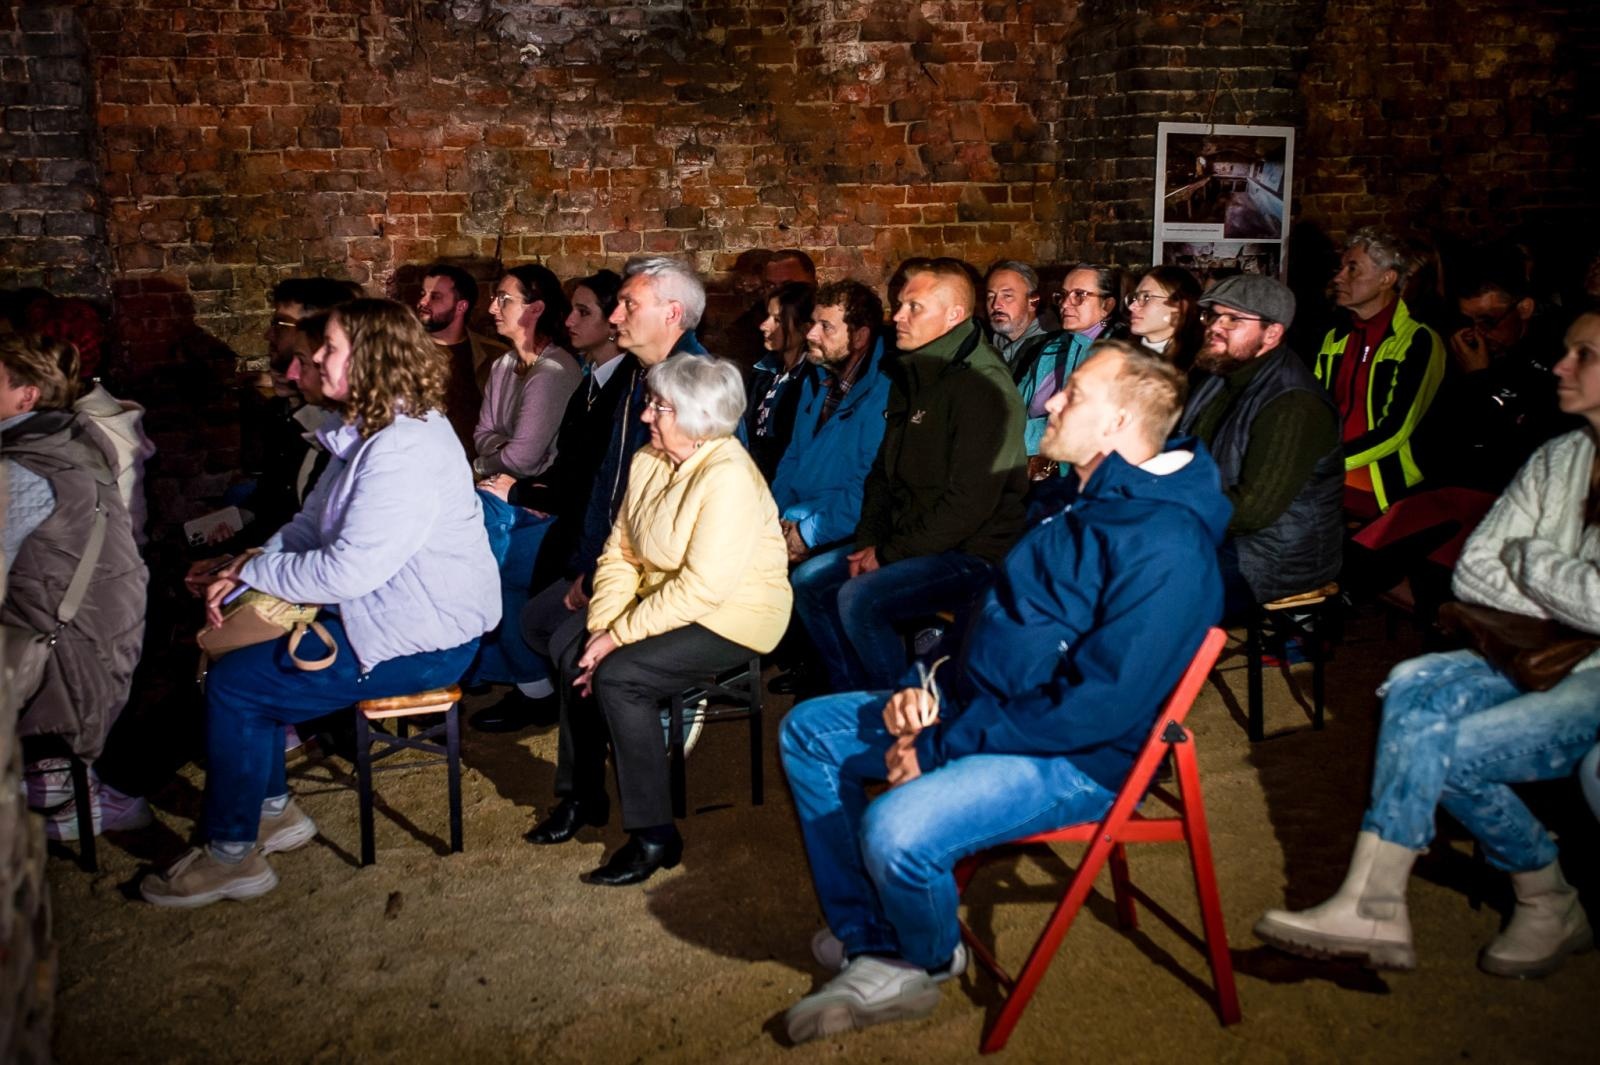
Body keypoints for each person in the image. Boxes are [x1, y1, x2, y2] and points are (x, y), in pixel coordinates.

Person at [778, 341, 1229, 1042]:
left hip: (1075, 756)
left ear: (1117, 425)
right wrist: (921, 686)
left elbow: (1100, 705)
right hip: (982, 710)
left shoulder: (1167, 542)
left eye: (1072, 393)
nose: (1049, 400)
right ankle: (873, 934)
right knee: (810, 730)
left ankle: (918, 957)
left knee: (897, 829)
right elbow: (994, 620)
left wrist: (938, 745)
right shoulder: (1073, 499)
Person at [1255, 308, 1600, 979]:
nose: (1560, 366)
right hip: (1539, 647)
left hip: (1591, 671)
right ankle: (1373, 901)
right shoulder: (1563, 455)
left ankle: (1544, 890)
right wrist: (1560, 584)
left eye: (1584, 354)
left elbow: (1532, 571)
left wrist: (1531, 559)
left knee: (1447, 747)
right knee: (1414, 680)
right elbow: (1474, 568)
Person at [140, 299, 500, 907]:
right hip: (386, 614)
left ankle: (233, 855)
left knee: (237, 686)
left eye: (329, 348)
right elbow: (309, 528)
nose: (312, 360)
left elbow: (348, 569)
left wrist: (258, 569)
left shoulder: (401, 449)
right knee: (239, 669)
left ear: (372, 358)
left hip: (425, 639)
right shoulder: (372, 433)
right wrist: (246, 568)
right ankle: (272, 811)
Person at [527, 355, 791, 886]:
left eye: (660, 406)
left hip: (733, 614)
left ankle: (654, 835)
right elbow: (619, 551)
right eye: (650, 403)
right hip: (663, 598)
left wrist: (617, 637)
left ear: (698, 417)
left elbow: (704, 588)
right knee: (570, 648)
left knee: (621, 677)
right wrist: (602, 626)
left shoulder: (729, 476)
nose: (647, 416)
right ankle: (583, 795)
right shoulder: (650, 459)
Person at [790, 258, 1028, 692]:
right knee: (809, 583)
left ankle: (903, 717)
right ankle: (851, 699)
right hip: (912, 541)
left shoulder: (984, 387)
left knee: (859, 598)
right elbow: (882, 474)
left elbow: (968, 505)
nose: (897, 316)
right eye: (899, 305)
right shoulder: (914, 369)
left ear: (953, 315)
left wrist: (890, 553)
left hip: (973, 552)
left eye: (913, 307)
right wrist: (868, 543)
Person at [469, 271, 632, 734]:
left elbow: (542, 461)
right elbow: (486, 439)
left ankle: (532, 688)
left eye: (584, 312)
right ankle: (521, 681)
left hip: (580, 526)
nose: (570, 319)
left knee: (489, 566)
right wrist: (523, 484)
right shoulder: (591, 382)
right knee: (478, 545)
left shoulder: (587, 378)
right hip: (555, 507)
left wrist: (521, 488)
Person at [5, 334, 149, 834]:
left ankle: (61, 795)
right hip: (100, 630)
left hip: (68, 648)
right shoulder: (68, 440)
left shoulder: (24, 464)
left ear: (26, 396)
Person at [1176, 275, 1343, 617]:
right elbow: (1181, 449)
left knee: (1149, 583)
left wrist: (1170, 509)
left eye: (1233, 319)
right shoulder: (1220, 374)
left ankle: (1146, 666)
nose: (1215, 327)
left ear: (1272, 334)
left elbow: (1253, 510)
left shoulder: (1294, 403)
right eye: (1213, 316)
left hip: (1273, 556)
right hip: (1221, 530)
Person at [1314, 227, 1446, 518]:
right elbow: (1316, 408)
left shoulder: (1418, 340)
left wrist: (1326, 462)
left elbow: (1396, 430)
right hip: (1331, 487)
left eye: (1353, 269)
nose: (1339, 277)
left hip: (1386, 495)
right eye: (1341, 268)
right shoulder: (1336, 337)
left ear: (1387, 279)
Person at [771, 280, 893, 565]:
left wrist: (807, 534)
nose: (811, 334)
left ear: (860, 336)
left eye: (826, 327)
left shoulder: (882, 393)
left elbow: (868, 484)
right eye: (813, 323)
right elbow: (793, 457)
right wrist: (778, 521)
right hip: (796, 520)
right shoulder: (817, 381)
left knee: (808, 584)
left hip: (843, 530)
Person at [474, 263, 581, 482]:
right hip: (503, 489)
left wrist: (480, 464)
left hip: (538, 499)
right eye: (496, 298)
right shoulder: (502, 364)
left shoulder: (552, 372)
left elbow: (521, 460)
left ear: (536, 309)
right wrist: (508, 447)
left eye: (504, 299)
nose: (492, 308)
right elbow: (480, 434)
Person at [417, 262, 508, 454]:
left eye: (435, 297)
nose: (423, 303)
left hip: (478, 469)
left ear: (461, 306)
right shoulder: (405, 352)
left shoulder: (495, 355)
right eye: (423, 294)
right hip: (421, 465)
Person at [746, 280, 815, 481]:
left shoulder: (811, 381)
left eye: (777, 320)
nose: (764, 326)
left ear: (804, 328)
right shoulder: (763, 372)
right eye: (768, 316)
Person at [1127, 265, 1204, 371]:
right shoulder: (1120, 352)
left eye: (1146, 297)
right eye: (1135, 298)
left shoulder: (1197, 369)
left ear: (1180, 306)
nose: (1132, 306)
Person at [982, 260, 1050, 372]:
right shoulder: (987, 344)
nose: (995, 305)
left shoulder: (1050, 352)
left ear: (1032, 302)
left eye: (1007, 296)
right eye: (990, 296)